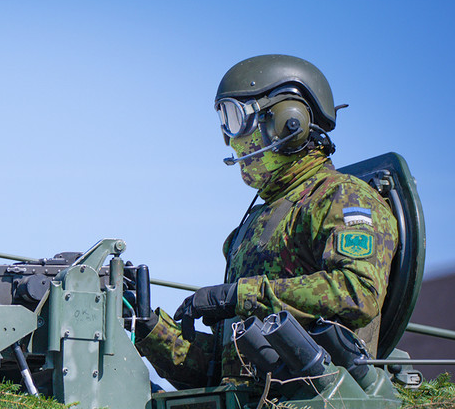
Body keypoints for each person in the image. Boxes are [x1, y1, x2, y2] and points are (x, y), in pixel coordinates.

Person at [134, 54, 399, 389]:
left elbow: (357, 291)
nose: (230, 138)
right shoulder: (253, 225)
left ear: (289, 121)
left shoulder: (343, 198)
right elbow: (224, 369)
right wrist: (148, 326)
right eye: (224, 122)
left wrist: (238, 295)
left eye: (237, 119)